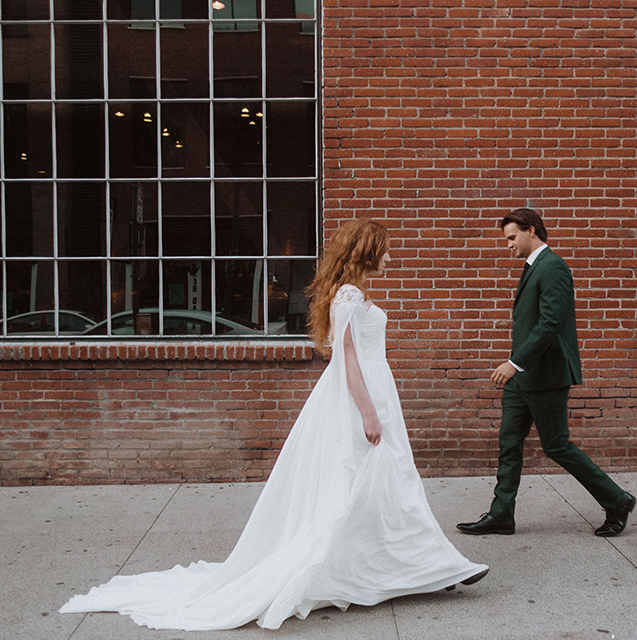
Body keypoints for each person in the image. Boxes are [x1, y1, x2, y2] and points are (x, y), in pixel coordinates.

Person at [60, 218, 488, 631]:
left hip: (374, 391)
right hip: (362, 397)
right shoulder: (349, 298)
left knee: (389, 483)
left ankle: (431, 566)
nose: (390, 258)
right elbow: (347, 360)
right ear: (366, 252)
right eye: (385, 250)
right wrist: (369, 412)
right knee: (372, 484)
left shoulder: (352, 294)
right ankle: (427, 566)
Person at [457, 208, 636, 538]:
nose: (508, 245)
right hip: (522, 378)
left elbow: (550, 324)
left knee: (557, 446)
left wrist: (514, 362)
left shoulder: (553, 267)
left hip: (545, 376)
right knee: (509, 444)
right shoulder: (534, 267)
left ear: (531, 230)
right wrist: (517, 367)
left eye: (512, 237)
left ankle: (617, 499)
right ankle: (501, 516)